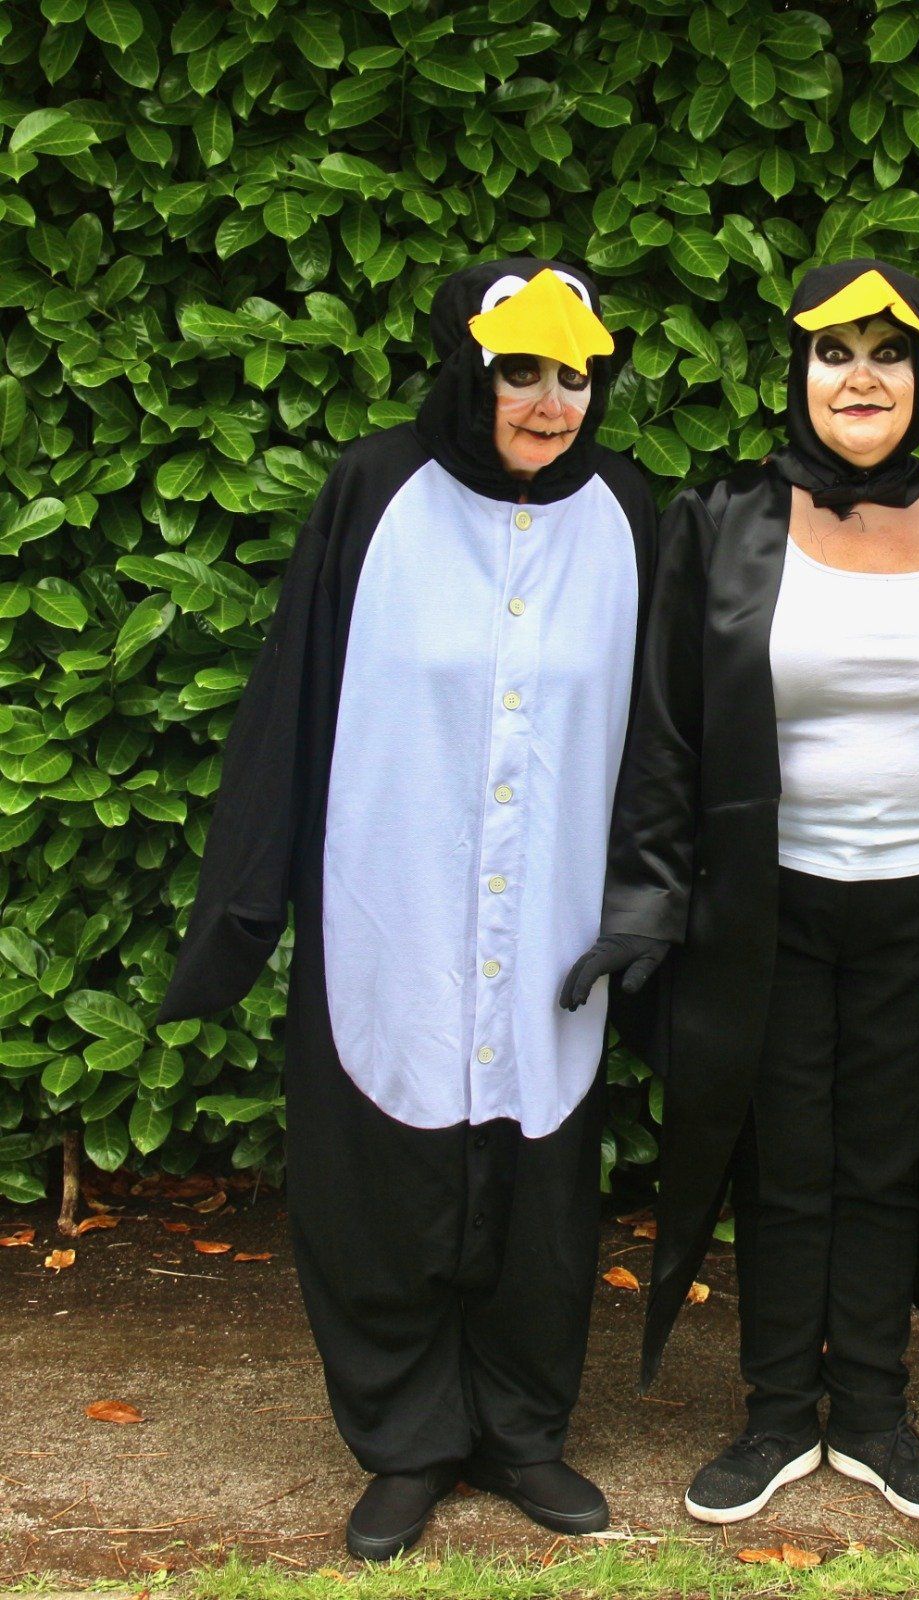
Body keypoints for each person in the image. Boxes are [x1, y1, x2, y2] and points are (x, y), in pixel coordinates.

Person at [562, 259, 919, 1526]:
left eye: (888, 351)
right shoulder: (723, 519)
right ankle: (767, 1416)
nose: (861, 377)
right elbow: (667, 729)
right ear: (795, 375)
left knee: (889, 1162)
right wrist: (642, 902)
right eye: (833, 353)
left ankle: (869, 1409)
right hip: (770, 902)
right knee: (784, 1160)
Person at [156, 258, 656, 1559]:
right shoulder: (372, 495)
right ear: (466, 369)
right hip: (390, 905)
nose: (550, 403)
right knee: (382, 1175)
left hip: (551, 926)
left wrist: (659, 902)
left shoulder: (627, 515)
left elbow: (666, 734)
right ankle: (406, 1441)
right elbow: (286, 701)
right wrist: (240, 916)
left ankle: (519, 1433)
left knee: (540, 1179)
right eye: (519, 373)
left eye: (573, 375)